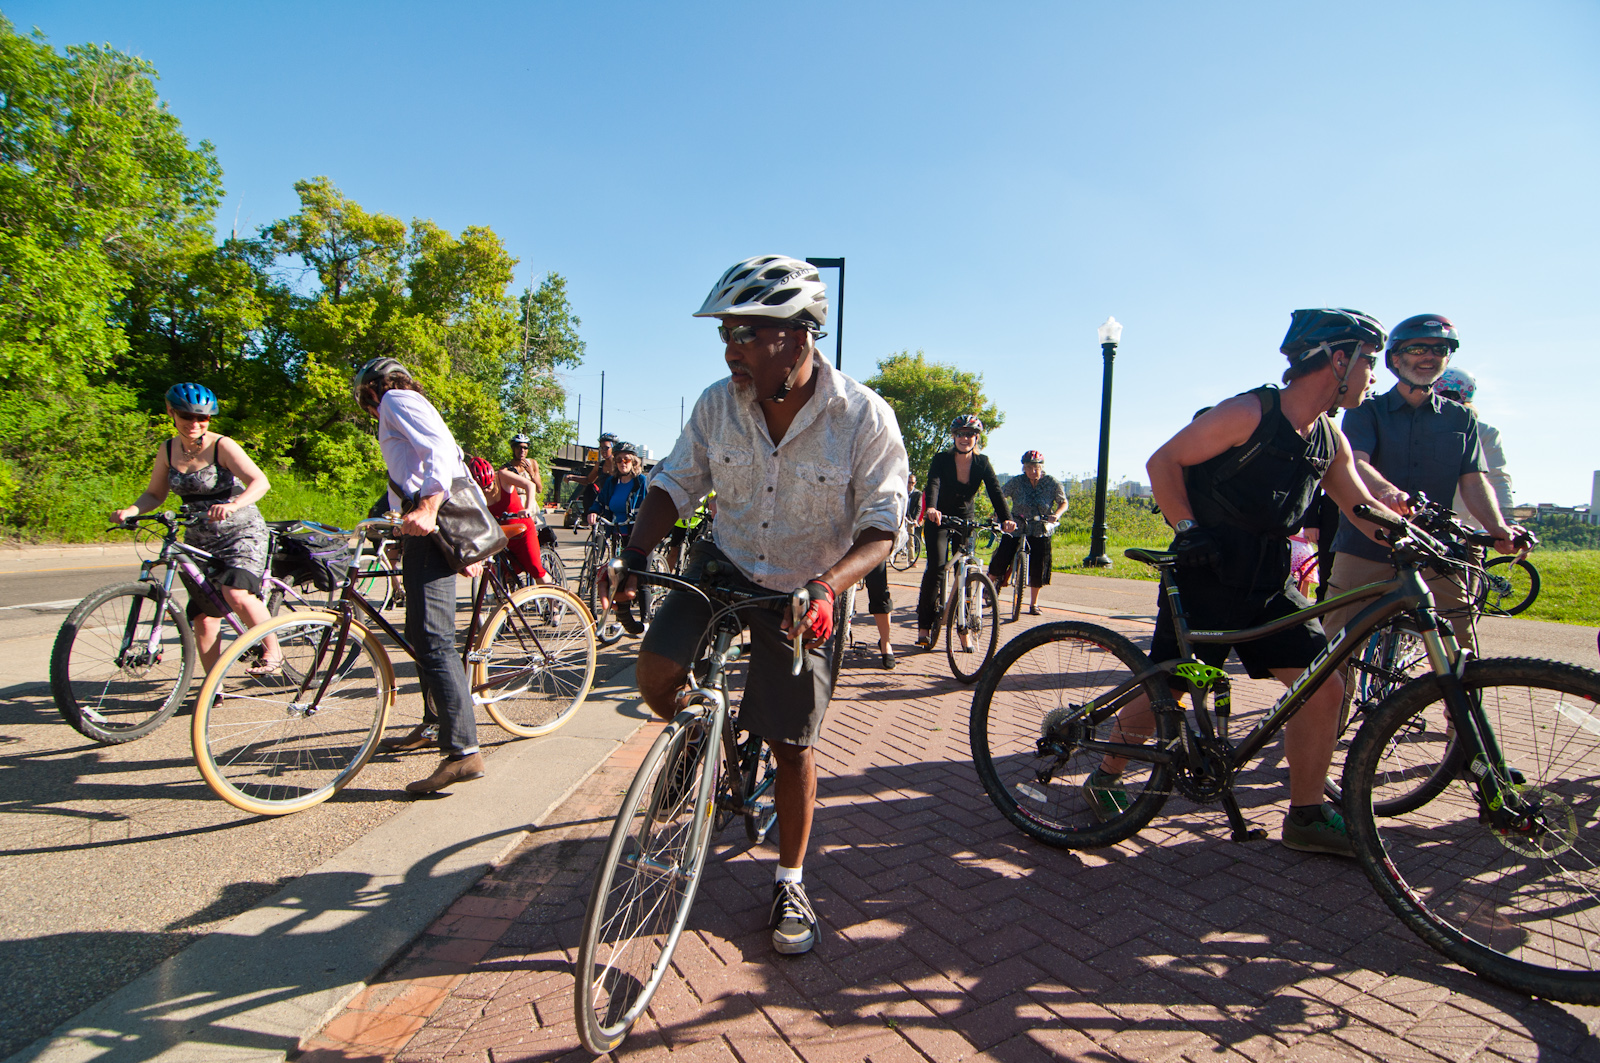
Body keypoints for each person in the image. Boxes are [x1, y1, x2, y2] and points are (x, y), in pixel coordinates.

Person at [601, 254, 907, 955]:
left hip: (807, 587)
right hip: (724, 562)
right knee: (654, 672)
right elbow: (674, 483)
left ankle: (791, 878)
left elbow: (883, 525)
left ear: (798, 337)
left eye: (746, 332)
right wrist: (635, 556)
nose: (731, 347)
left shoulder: (863, 416)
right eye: (725, 334)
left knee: (792, 742)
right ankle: (692, 745)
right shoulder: (718, 403)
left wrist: (828, 585)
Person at [1086, 308, 1404, 857]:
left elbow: (1359, 504)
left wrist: (1420, 538)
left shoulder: (1328, 438)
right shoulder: (1249, 411)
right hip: (1208, 571)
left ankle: (1305, 815)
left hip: (1267, 580)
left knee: (1321, 686)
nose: (1374, 375)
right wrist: (1187, 528)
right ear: (1337, 360)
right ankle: (1108, 773)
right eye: (1368, 362)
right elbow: (1163, 462)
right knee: (1175, 688)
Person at [1323, 315, 1526, 650]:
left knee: (1463, 650)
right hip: (1367, 542)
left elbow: (1474, 481)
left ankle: (1462, 703)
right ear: (1396, 358)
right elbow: (1356, 462)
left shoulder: (1461, 418)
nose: (1429, 356)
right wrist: (1387, 492)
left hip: (1436, 548)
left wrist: (1499, 526)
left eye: (1440, 349)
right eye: (1418, 348)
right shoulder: (1366, 410)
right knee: (1339, 649)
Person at [353, 357, 485, 794]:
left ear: (370, 390)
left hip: (434, 525)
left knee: (433, 637)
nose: (367, 408)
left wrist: (428, 509)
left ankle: (463, 752)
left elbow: (442, 452)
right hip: (421, 528)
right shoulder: (399, 404)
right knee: (419, 633)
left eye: (362, 399)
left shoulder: (396, 399)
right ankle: (434, 723)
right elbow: (405, 474)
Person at [112, 383, 279, 671]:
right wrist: (131, 510)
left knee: (236, 593)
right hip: (198, 539)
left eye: (203, 418)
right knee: (203, 617)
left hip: (240, 533)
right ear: (171, 412)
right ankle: (213, 689)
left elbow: (260, 481)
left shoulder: (221, 445)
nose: (195, 423)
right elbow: (155, 494)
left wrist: (232, 505)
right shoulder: (167, 449)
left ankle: (273, 652)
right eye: (187, 416)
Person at [914, 415, 1015, 649]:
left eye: (969, 434)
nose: (965, 438)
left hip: (964, 518)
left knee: (965, 572)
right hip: (938, 517)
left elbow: (996, 492)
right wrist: (931, 508)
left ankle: (963, 628)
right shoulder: (941, 459)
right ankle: (924, 626)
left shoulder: (983, 463)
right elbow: (934, 483)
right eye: (960, 434)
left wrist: (1007, 519)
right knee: (937, 568)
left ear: (976, 438)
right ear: (954, 437)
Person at [986, 450, 1067, 615]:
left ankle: (1033, 604)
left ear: (1042, 467)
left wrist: (1056, 515)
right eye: (1029, 467)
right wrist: (1001, 515)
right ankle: (986, 588)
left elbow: (1063, 502)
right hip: (1017, 525)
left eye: (1036, 467)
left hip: (1040, 527)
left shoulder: (1052, 482)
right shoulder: (1017, 482)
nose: (1033, 471)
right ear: (1024, 468)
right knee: (1002, 556)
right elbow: (999, 496)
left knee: (1039, 565)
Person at [1431, 367, 1515, 525]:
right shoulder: (1416, 428)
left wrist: (1507, 517)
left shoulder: (1484, 433)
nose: (1448, 402)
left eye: (1453, 397)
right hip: (1425, 520)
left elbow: (1497, 477)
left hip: (1468, 526)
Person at [469, 455, 550, 585]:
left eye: (489, 484)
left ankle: (554, 603)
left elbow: (530, 485)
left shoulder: (502, 476)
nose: (487, 489)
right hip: (501, 536)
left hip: (521, 531)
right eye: (482, 488)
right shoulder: (473, 491)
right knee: (499, 570)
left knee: (535, 569)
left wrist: (528, 508)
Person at [504, 432, 544, 507]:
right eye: (519, 447)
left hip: (530, 504)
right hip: (514, 503)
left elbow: (539, 489)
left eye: (525, 448)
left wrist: (531, 473)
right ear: (513, 448)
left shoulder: (532, 463)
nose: (522, 450)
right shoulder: (506, 468)